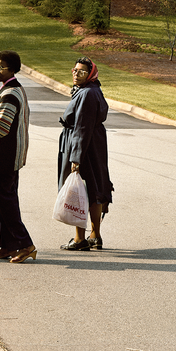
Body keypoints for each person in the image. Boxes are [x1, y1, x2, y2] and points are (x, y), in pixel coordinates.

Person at [0, 50, 37, 264]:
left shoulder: (10, 93)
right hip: (11, 155)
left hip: (5, 156)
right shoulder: (13, 89)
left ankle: (25, 245)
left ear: (12, 70)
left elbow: (2, 126)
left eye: (0, 68)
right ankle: (8, 245)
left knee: (6, 202)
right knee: (6, 200)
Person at [57, 56, 113, 251]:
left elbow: (82, 127)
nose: (76, 74)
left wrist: (76, 158)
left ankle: (80, 238)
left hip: (83, 147)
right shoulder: (92, 90)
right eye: (74, 70)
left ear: (90, 74)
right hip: (94, 145)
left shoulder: (87, 94)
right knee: (94, 189)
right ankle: (95, 235)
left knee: (79, 192)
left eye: (81, 71)